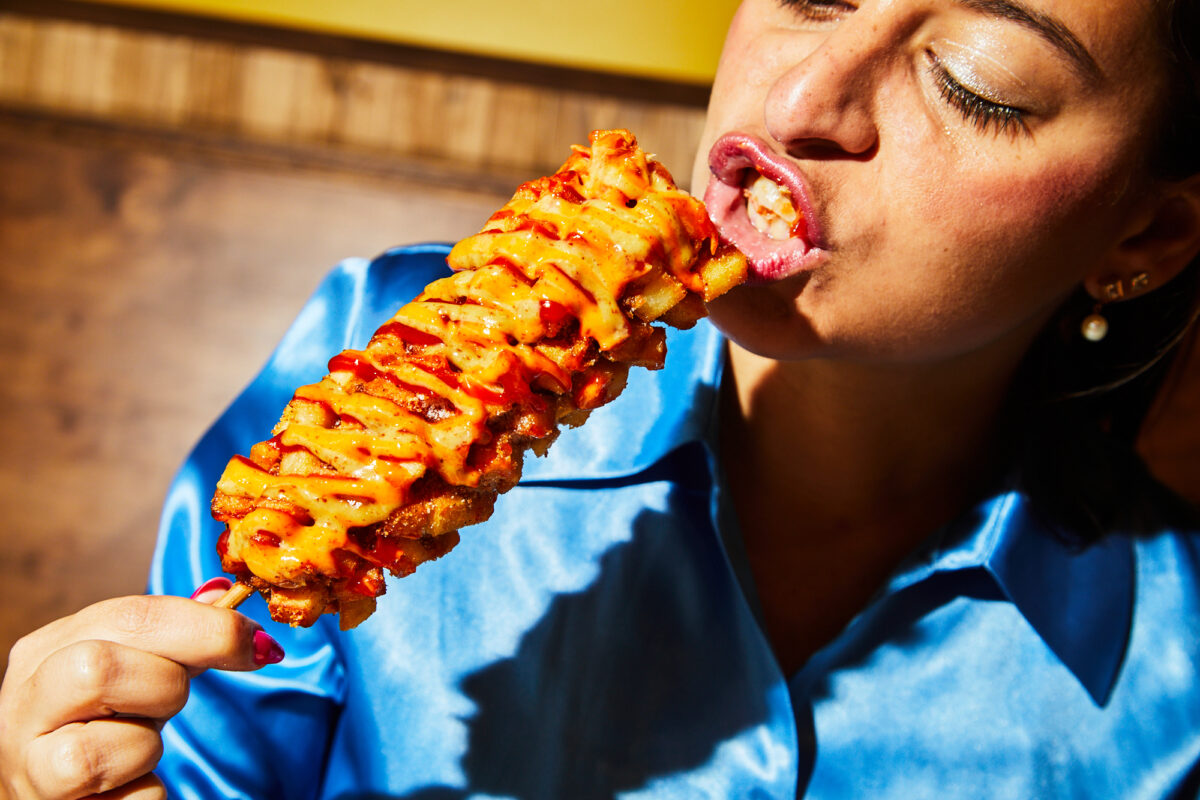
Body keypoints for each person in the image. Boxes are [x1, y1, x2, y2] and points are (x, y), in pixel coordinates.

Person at [3, 0, 1200, 796]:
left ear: (1143, 234)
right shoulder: (375, 346)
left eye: (979, 85)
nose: (801, 100)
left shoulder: (1176, 692)